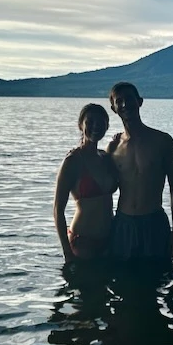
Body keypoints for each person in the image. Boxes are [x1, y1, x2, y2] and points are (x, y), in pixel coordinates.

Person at [107, 82, 173, 265]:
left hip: (154, 222)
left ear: (139, 102)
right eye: (120, 101)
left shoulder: (162, 141)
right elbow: (105, 189)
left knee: (158, 279)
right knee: (123, 283)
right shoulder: (113, 147)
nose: (125, 105)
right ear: (113, 108)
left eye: (130, 99)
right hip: (123, 223)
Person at [53, 103, 118, 263]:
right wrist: (67, 252)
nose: (96, 126)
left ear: (107, 126)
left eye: (101, 122)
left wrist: (116, 145)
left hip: (109, 240)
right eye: (90, 122)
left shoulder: (106, 158)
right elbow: (57, 209)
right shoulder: (72, 161)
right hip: (83, 242)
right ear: (80, 125)